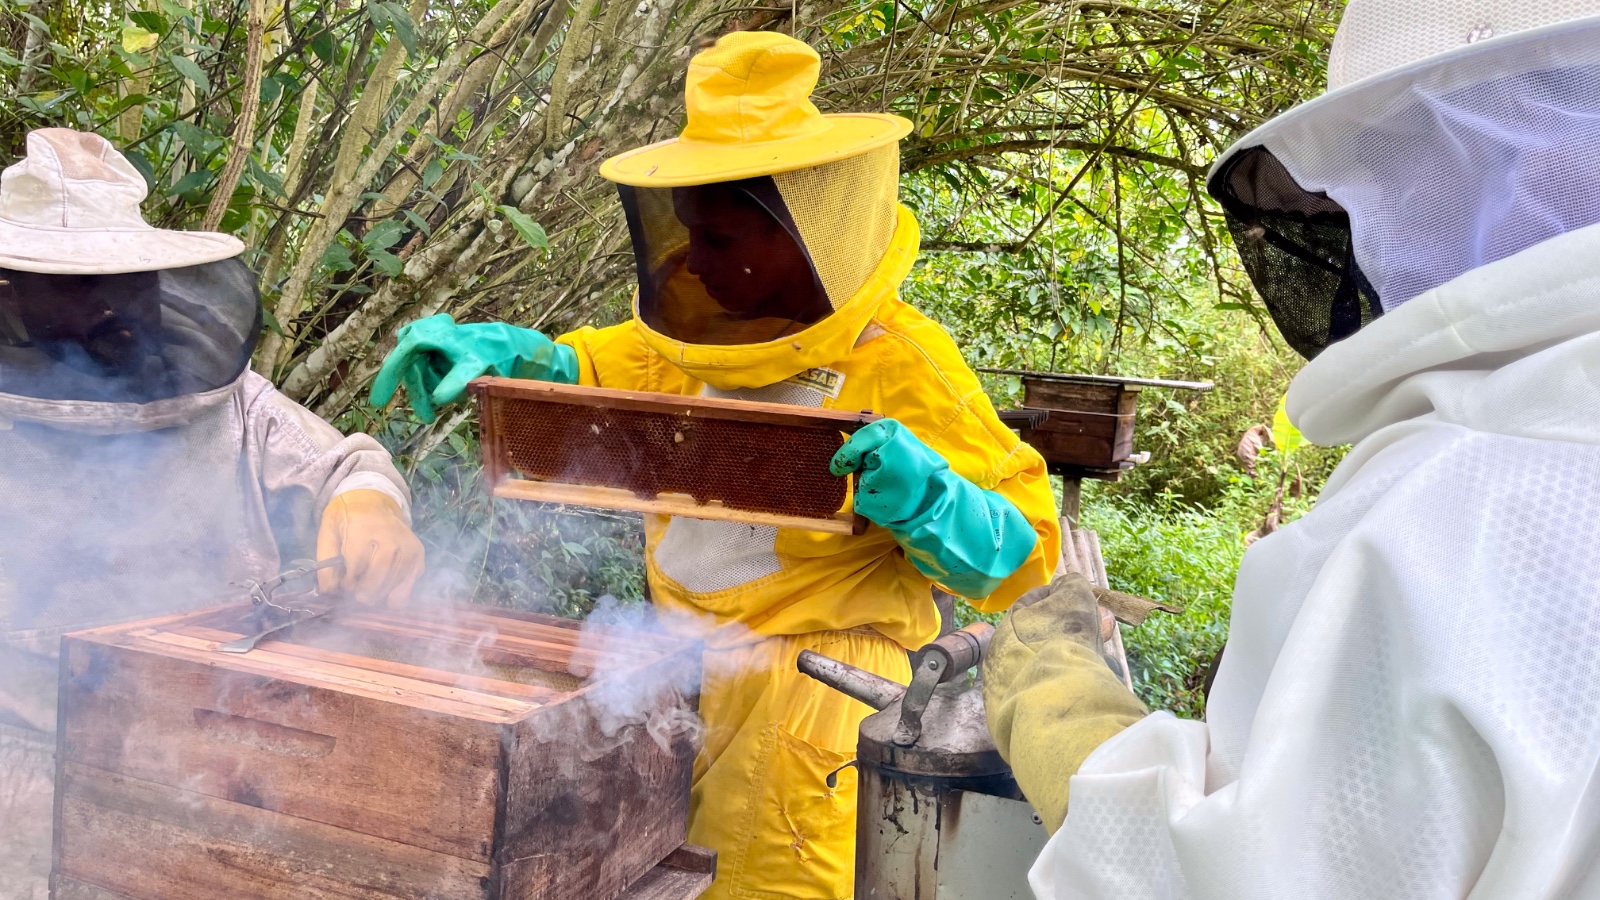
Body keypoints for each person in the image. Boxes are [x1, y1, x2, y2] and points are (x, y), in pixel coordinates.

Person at [372, 32, 1061, 900]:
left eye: (720, 236)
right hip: (673, 681)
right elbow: (585, 374)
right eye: (688, 231)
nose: (694, 261)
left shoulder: (906, 367)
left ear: (802, 235)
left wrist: (932, 499)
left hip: (813, 705)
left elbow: (1026, 561)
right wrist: (512, 358)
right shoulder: (686, 337)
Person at [981, 1, 1600, 896]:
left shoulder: (1452, 506)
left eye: (1386, 165)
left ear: (1513, 151)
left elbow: (1239, 879)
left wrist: (1069, 715)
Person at [0, 129, 426, 898]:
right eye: (75, 282)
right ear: (11, 290)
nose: (107, 303)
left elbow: (343, 464)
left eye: (122, 277)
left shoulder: (228, 401)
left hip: (212, 756)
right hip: (21, 768)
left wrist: (369, 505)